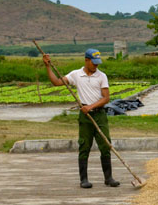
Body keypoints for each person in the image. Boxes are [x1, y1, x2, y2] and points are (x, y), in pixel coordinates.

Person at [43, 49, 120, 189]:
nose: (96, 66)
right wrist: (48, 66)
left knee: (105, 144)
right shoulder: (76, 75)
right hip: (85, 116)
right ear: (86, 60)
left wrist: (90, 107)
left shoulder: (102, 76)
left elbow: (106, 98)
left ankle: (108, 178)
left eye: (98, 63)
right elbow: (56, 82)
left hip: (99, 114)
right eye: (93, 63)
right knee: (84, 146)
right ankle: (83, 179)